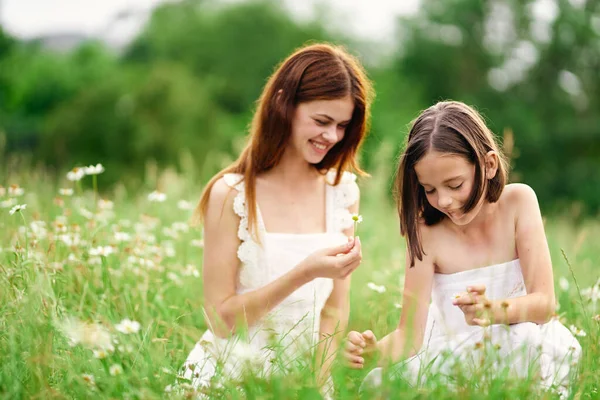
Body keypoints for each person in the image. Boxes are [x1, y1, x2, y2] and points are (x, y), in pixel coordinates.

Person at [343, 101, 581, 397]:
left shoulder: (519, 202)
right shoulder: (425, 232)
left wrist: (494, 311)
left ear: (489, 165)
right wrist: (375, 353)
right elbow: (410, 336)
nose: (442, 201)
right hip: (453, 350)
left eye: (455, 185)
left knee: (523, 348)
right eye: (429, 189)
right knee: (382, 387)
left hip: (518, 337)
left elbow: (544, 304)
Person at [177, 43, 374, 395]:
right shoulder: (232, 194)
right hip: (232, 375)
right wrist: (305, 273)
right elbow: (221, 321)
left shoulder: (343, 192)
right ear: (284, 105)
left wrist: (313, 383)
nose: (332, 136)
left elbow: (334, 310)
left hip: (306, 380)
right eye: (321, 121)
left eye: (342, 125)